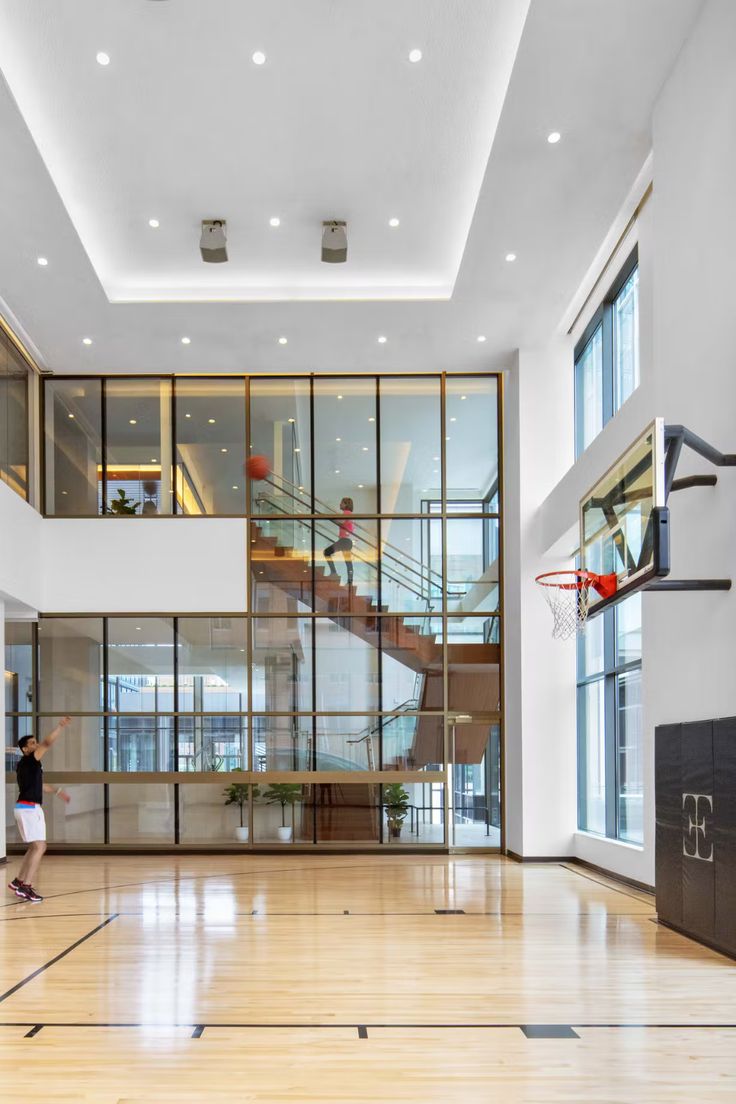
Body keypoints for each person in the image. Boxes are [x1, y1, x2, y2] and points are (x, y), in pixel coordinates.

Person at [7, 717, 72, 903]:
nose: (36, 745)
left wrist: (59, 792)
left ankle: (18, 881)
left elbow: (41, 785)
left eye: (36, 742)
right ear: (25, 749)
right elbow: (48, 742)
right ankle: (26, 887)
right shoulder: (30, 760)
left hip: (25, 808)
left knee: (35, 846)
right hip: (28, 809)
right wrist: (60, 726)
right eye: (32, 743)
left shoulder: (27, 766)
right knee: (40, 846)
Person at [323, 496, 354, 586]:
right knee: (348, 561)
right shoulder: (349, 514)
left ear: (346, 504)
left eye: (342, 503)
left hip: (344, 540)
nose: (340, 504)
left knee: (327, 552)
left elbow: (339, 521)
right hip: (347, 541)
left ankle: (334, 573)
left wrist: (329, 517)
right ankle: (350, 581)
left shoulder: (346, 513)